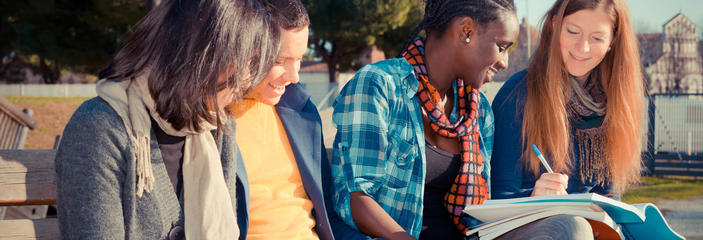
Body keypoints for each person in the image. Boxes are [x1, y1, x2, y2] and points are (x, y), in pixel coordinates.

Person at [54, 0, 279, 238]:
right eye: (248, 63)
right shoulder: (100, 129)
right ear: (202, 54)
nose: (248, 81)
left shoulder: (218, 126)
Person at [329, 0, 520, 239]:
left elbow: (478, 218)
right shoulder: (380, 86)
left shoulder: (479, 113)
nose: (504, 62)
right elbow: (355, 197)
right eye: (501, 47)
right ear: (466, 30)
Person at [229, 1, 368, 239]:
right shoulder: (209, 120)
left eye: (300, 59)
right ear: (246, 48)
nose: (294, 77)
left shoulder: (302, 111)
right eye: (280, 61)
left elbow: (328, 215)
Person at [491, 0, 643, 210]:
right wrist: (533, 198)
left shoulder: (612, 105)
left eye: (597, 37)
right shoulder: (517, 95)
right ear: (555, 25)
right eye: (573, 31)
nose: (583, 48)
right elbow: (497, 198)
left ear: (613, 41)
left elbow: (610, 198)